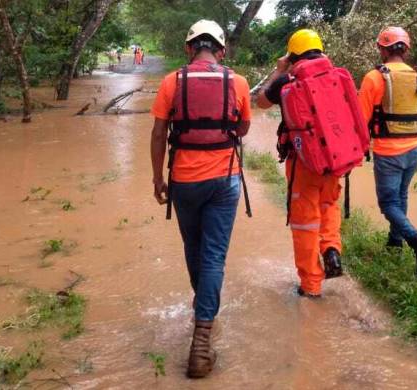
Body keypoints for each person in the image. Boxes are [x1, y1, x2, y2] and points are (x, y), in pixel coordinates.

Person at [149, 19, 252, 378]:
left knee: (194, 248)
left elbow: (159, 132)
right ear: (221, 51)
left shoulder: (170, 82)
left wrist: (157, 177)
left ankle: (202, 310)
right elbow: (242, 128)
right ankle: (203, 335)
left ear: (189, 49)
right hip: (225, 181)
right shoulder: (238, 82)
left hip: (184, 181)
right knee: (213, 257)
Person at [256, 29, 368, 298]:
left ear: (292, 54)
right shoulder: (336, 76)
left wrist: (278, 69)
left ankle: (311, 285)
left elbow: (259, 102)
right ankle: (331, 249)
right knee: (328, 204)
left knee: (305, 222)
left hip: (303, 163)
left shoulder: (286, 80)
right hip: (335, 159)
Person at [357, 26, 417, 280]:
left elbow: (361, 120)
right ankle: (395, 243)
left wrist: (359, 148)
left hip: (388, 151)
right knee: (401, 196)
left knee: (388, 204)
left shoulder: (374, 78)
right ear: (405, 50)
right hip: (414, 151)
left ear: (382, 48)